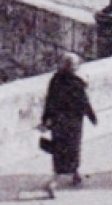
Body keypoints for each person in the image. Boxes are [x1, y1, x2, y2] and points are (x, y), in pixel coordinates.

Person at [38, 52, 97, 193]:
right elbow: (84, 103)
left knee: (59, 151)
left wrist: (45, 120)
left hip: (58, 123)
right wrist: (92, 117)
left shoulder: (55, 80)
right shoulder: (77, 83)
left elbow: (49, 102)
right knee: (73, 150)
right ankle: (54, 183)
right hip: (74, 124)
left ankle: (73, 176)